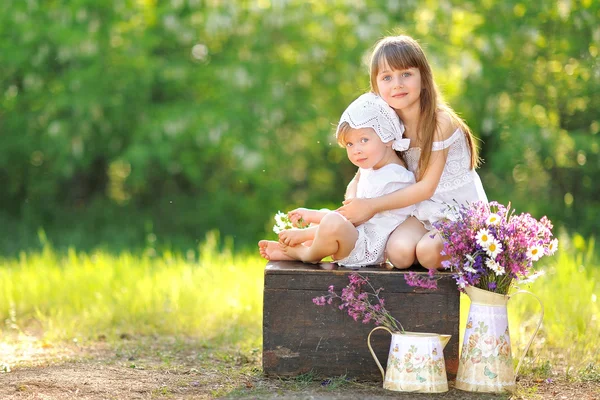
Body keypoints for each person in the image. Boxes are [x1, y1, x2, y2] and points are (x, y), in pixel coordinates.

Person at [337, 35, 488, 270]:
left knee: (427, 252)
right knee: (398, 253)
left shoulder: (439, 121)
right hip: (419, 210)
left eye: (406, 74)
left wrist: (371, 206)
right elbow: (361, 172)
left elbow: (426, 187)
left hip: (456, 210)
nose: (397, 84)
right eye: (387, 77)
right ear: (376, 86)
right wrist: (354, 200)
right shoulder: (386, 121)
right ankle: (425, 272)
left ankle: (466, 258)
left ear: (423, 78)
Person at [258, 92, 416, 267]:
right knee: (329, 217)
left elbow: (355, 220)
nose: (356, 150)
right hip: (353, 235)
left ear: (387, 137)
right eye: (350, 144)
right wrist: (321, 211)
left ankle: (307, 253)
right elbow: (351, 199)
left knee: (331, 222)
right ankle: (293, 251)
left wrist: (308, 230)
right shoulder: (373, 167)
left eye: (364, 140)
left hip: (365, 248)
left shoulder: (396, 178)